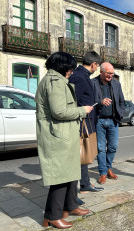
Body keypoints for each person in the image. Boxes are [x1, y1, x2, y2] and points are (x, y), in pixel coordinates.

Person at [35, 52, 93, 229]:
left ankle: (71, 206)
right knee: (60, 177)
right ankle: (52, 216)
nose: (71, 72)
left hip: (64, 135)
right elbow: (59, 111)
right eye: (70, 68)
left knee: (70, 173)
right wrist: (82, 111)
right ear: (63, 67)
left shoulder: (56, 81)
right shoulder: (55, 82)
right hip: (58, 136)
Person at [69, 51, 104, 194]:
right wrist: (83, 110)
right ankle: (73, 192)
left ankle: (85, 183)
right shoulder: (79, 77)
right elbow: (71, 101)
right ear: (94, 64)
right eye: (97, 66)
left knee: (82, 156)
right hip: (80, 122)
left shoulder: (82, 75)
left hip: (85, 121)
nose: (97, 69)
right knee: (79, 155)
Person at [92, 62, 125, 184]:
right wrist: (100, 102)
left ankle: (107, 167)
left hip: (113, 120)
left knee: (112, 147)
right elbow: (89, 101)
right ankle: (103, 173)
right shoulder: (93, 83)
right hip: (99, 120)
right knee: (101, 148)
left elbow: (122, 101)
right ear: (101, 72)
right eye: (108, 73)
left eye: (112, 73)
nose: (110, 75)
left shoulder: (116, 84)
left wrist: (120, 114)